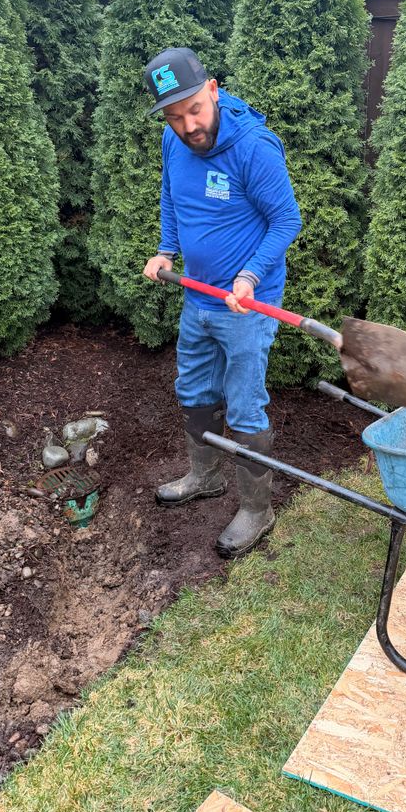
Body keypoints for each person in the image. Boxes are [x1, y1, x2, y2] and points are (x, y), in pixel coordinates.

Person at [142, 46, 301, 558]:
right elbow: (172, 195)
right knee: (193, 387)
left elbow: (286, 222)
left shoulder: (254, 147)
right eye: (174, 116)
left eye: (194, 109)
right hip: (199, 296)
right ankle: (204, 475)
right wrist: (167, 248)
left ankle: (257, 509)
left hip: (245, 306)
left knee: (245, 403)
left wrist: (251, 276)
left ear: (212, 89)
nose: (187, 125)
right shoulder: (173, 139)